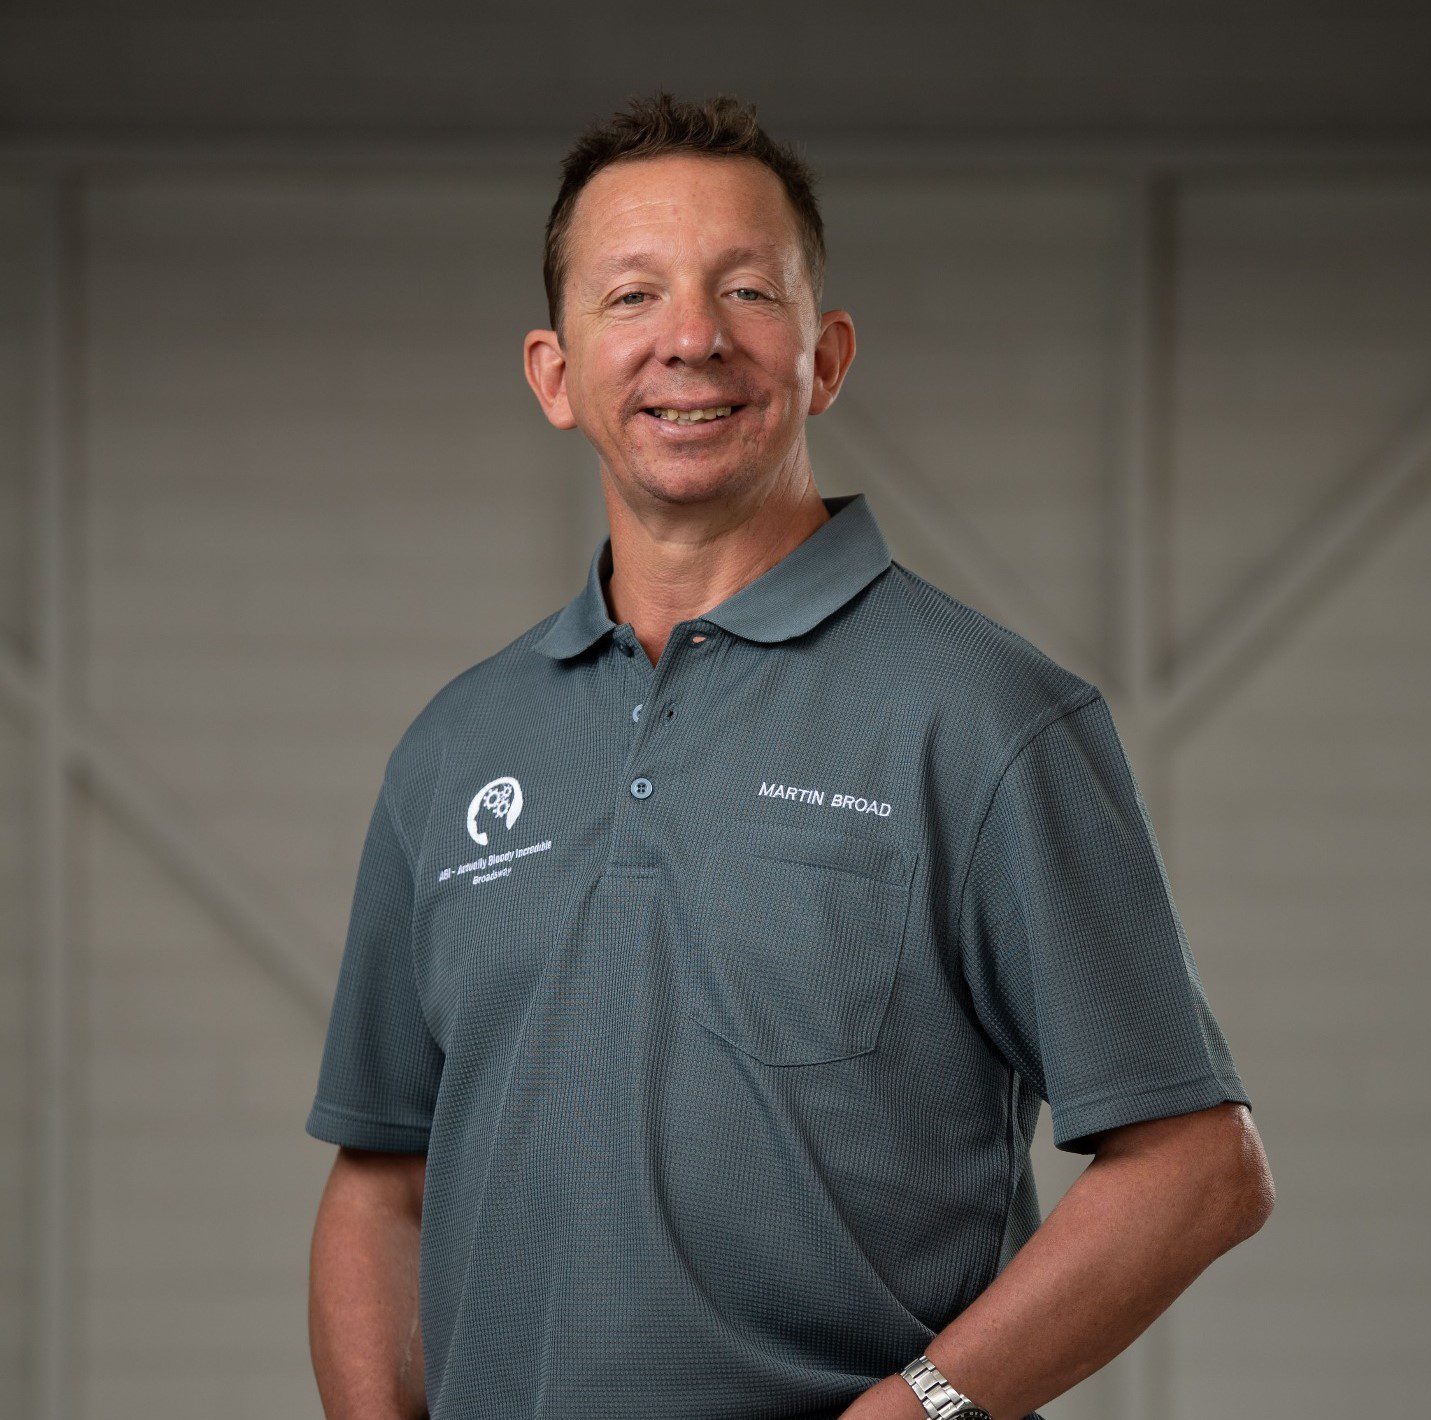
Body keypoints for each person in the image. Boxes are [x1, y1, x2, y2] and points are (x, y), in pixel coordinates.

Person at [305, 90, 1274, 1420]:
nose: (692, 339)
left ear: (825, 356)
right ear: (554, 371)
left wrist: (917, 1409)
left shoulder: (986, 715)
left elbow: (1200, 1169)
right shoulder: (456, 747)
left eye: (748, 290)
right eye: (632, 295)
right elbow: (381, 1184)